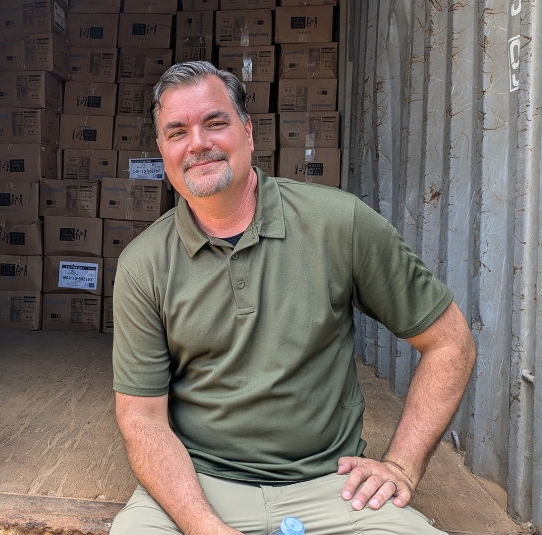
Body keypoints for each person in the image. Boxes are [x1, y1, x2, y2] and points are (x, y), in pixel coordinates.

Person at [109, 61, 476, 535]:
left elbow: (450, 342)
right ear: (163, 151)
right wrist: (203, 525)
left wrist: (401, 466)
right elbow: (142, 418)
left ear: (248, 132)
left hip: (333, 487)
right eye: (177, 132)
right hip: (196, 487)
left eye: (215, 123)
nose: (197, 143)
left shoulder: (338, 222)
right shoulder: (143, 264)